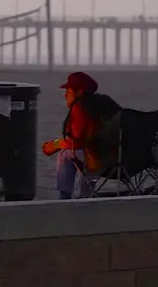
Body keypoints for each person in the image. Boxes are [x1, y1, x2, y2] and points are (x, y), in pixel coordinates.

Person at [41, 71, 122, 199]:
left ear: (80, 91)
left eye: (68, 92)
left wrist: (56, 144)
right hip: (119, 157)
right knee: (86, 150)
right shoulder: (106, 101)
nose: (65, 95)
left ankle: (64, 196)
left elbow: (77, 142)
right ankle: (87, 193)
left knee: (65, 154)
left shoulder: (80, 107)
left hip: (99, 159)